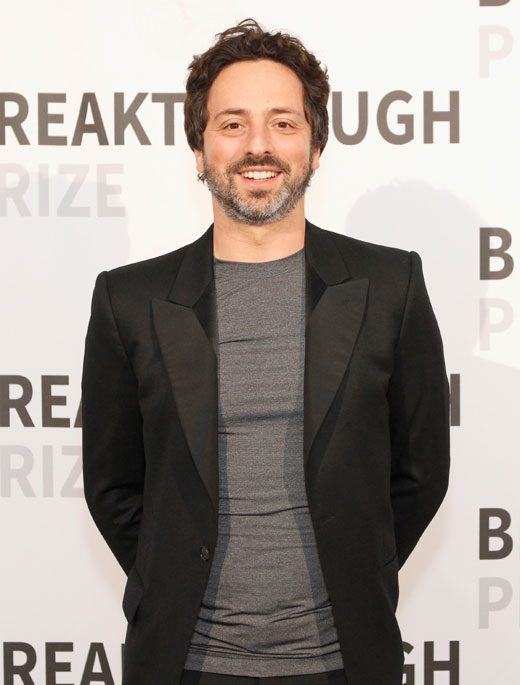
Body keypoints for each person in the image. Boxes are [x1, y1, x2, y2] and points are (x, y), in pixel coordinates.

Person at [81, 18, 450, 685]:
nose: (259, 145)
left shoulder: (390, 286)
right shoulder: (128, 301)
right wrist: (175, 579)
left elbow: (420, 473)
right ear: (198, 150)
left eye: (283, 123)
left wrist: (351, 566)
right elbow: (114, 487)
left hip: (344, 664)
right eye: (232, 124)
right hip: (184, 665)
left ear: (316, 146)